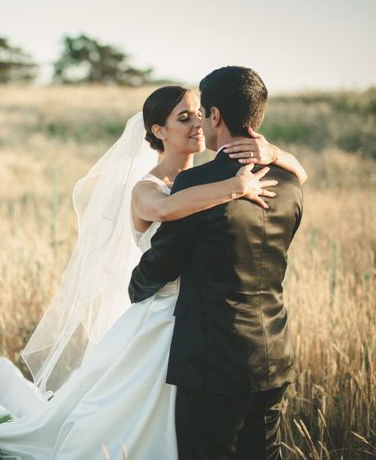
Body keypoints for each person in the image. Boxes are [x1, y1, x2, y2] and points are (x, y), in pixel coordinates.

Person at [0, 82, 306, 459]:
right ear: (158, 131)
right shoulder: (151, 187)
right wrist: (235, 187)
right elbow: (165, 212)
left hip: (199, 323)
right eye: (183, 117)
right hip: (162, 314)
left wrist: (276, 154)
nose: (197, 123)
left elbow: (287, 179)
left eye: (199, 114)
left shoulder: (200, 180)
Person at [129, 67, 304, 459]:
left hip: (212, 359)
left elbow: (162, 265)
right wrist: (277, 156)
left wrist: (134, 289)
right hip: (274, 352)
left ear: (216, 117)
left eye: (200, 113)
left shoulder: (194, 186)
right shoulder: (291, 183)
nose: (197, 124)